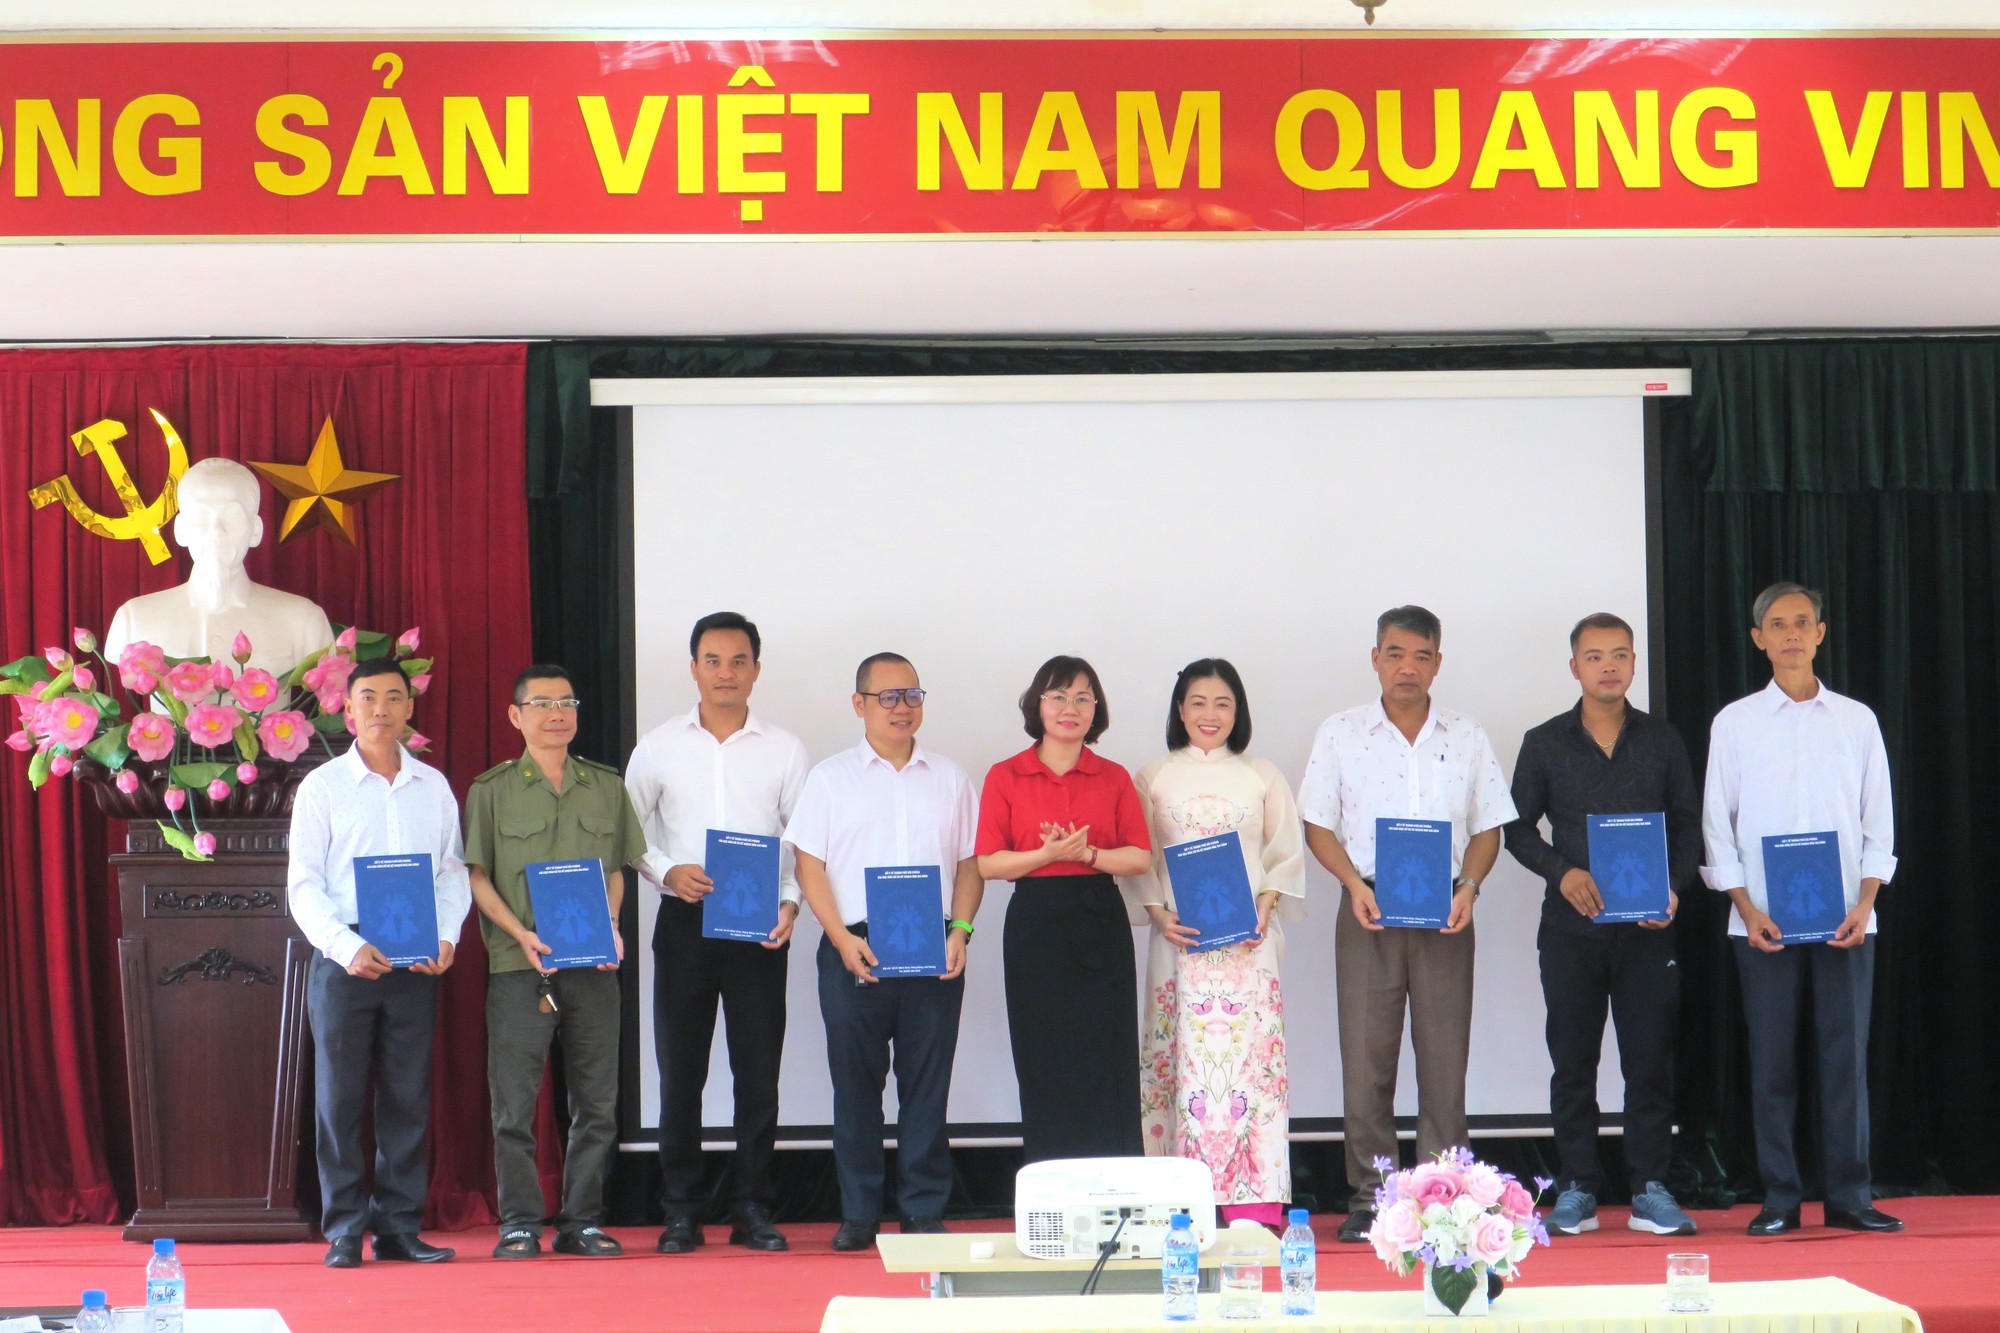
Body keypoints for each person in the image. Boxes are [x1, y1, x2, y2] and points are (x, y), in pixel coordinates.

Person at [1298, 606, 1516, 1243]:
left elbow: (1489, 826)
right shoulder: (1341, 733)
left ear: (1438, 663)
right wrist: (1351, 885)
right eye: (1395, 654)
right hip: (1368, 905)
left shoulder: (1466, 734)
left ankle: (1444, 1198)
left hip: (1446, 908)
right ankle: (1372, 1197)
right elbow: (1318, 823)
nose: (1407, 668)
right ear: (1375, 659)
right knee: (1366, 1057)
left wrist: (1470, 886)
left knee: (1445, 1060)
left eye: (1421, 657)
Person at [1701, 582, 1901, 1235]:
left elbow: (1878, 820)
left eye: (1802, 622)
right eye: (1778, 624)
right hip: (1762, 921)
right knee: (1773, 1062)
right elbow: (1717, 825)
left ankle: (1850, 1194)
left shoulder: (1856, 720)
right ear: (1758, 638)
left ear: (1820, 633)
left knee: (1845, 1059)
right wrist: (1745, 905)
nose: (1791, 633)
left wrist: (1866, 902)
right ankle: (1781, 1196)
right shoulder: (1734, 722)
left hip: (1847, 916)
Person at [1504, 613, 1701, 1238]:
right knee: (1573, 1063)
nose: (1608, 666)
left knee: (1649, 1062)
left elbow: (1688, 826)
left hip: (1648, 930)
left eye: (1620, 655)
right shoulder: (1544, 742)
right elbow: (1515, 829)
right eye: (1594, 656)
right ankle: (1578, 1188)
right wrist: (1561, 872)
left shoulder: (1663, 740)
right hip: (1571, 931)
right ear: (1574, 667)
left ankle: (1649, 1188)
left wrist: (1673, 887)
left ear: (1634, 663)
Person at [785, 652, 983, 1252]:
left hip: (933, 946)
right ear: (859, 704)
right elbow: (809, 866)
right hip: (856, 947)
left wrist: (961, 930)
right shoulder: (830, 778)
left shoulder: (950, 778)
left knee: (927, 1086)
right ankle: (859, 1213)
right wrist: (841, 938)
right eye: (888, 697)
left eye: (912, 695)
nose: (902, 707)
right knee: (856, 1087)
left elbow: (970, 866)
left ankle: (922, 1210)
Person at [625, 612, 810, 1254]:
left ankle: (753, 1207)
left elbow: (804, 842)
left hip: (760, 924)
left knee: (758, 1073)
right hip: (685, 920)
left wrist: (790, 903)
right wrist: (666, 870)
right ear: (694, 668)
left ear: (756, 669)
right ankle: (681, 1210)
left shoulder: (786, 749)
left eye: (738, 661)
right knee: (681, 1072)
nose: (725, 672)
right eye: (712, 660)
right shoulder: (658, 746)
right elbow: (628, 830)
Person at [286, 658, 470, 1268]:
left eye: (394, 697)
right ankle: (343, 1228)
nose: (381, 709)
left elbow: (451, 873)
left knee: (406, 1095)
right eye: (368, 697)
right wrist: (345, 946)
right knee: (338, 1098)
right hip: (345, 955)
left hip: (416, 956)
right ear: (347, 709)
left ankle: (398, 1226)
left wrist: (447, 937)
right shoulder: (322, 788)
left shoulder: (433, 787)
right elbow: (303, 885)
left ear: (410, 708)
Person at [464, 664, 648, 1260]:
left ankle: (582, 1221)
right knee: (514, 1105)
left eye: (567, 702)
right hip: (519, 966)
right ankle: (519, 1223)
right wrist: (519, 932)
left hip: (592, 966)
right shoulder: (491, 790)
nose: (557, 714)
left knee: (596, 1103)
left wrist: (611, 926)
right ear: (515, 716)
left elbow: (616, 870)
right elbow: (477, 876)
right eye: (542, 704)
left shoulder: (606, 785)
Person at [1132, 659, 1305, 1229]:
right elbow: (1138, 856)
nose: (1210, 714)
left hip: (1247, 946)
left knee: (1252, 1068)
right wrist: (1158, 912)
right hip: (1179, 944)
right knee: (1177, 1064)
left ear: (1239, 712)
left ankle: (1255, 1202)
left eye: (1223, 703)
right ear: (1180, 710)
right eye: (1198, 702)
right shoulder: (1153, 775)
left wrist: (1267, 902)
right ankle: (1178, 1200)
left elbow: (1284, 853)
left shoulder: (1261, 774)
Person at [974, 655, 1150, 1163]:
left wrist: (1087, 854)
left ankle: (1116, 1178)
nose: (1070, 708)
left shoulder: (1113, 776)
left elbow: (1139, 857)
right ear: (1037, 705)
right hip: (1035, 922)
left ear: (1096, 709)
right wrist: (1047, 854)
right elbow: (988, 863)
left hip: (1099, 919)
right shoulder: (1006, 775)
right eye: (1057, 696)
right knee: (1043, 1053)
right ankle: (1050, 1176)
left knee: (1106, 1051)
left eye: (1082, 698)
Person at [105, 457, 334, 675]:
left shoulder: (303, 620)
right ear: (180, 530)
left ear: (256, 530)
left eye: (232, 516)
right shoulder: (134, 619)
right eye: (201, 517)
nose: (216, 531)